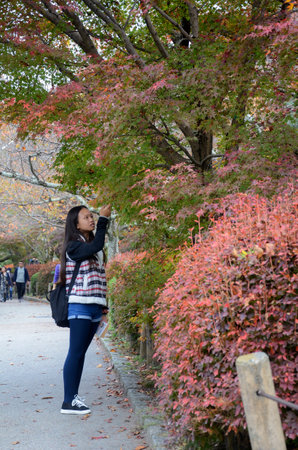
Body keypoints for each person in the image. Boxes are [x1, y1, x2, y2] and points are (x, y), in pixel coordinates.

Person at [59, 204, 111, 415]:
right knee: (75, 352)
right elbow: (97, 244)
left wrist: (104, 307)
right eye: (87, 217)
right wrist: (104, 220)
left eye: (92, 216)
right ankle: (68, 401)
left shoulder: (93, 249)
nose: (91, 219)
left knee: (80, 354)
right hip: (80, 304)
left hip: (95, 306)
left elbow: (99, 278)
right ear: (76, 224)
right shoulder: (73, 246)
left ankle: (73, 397)